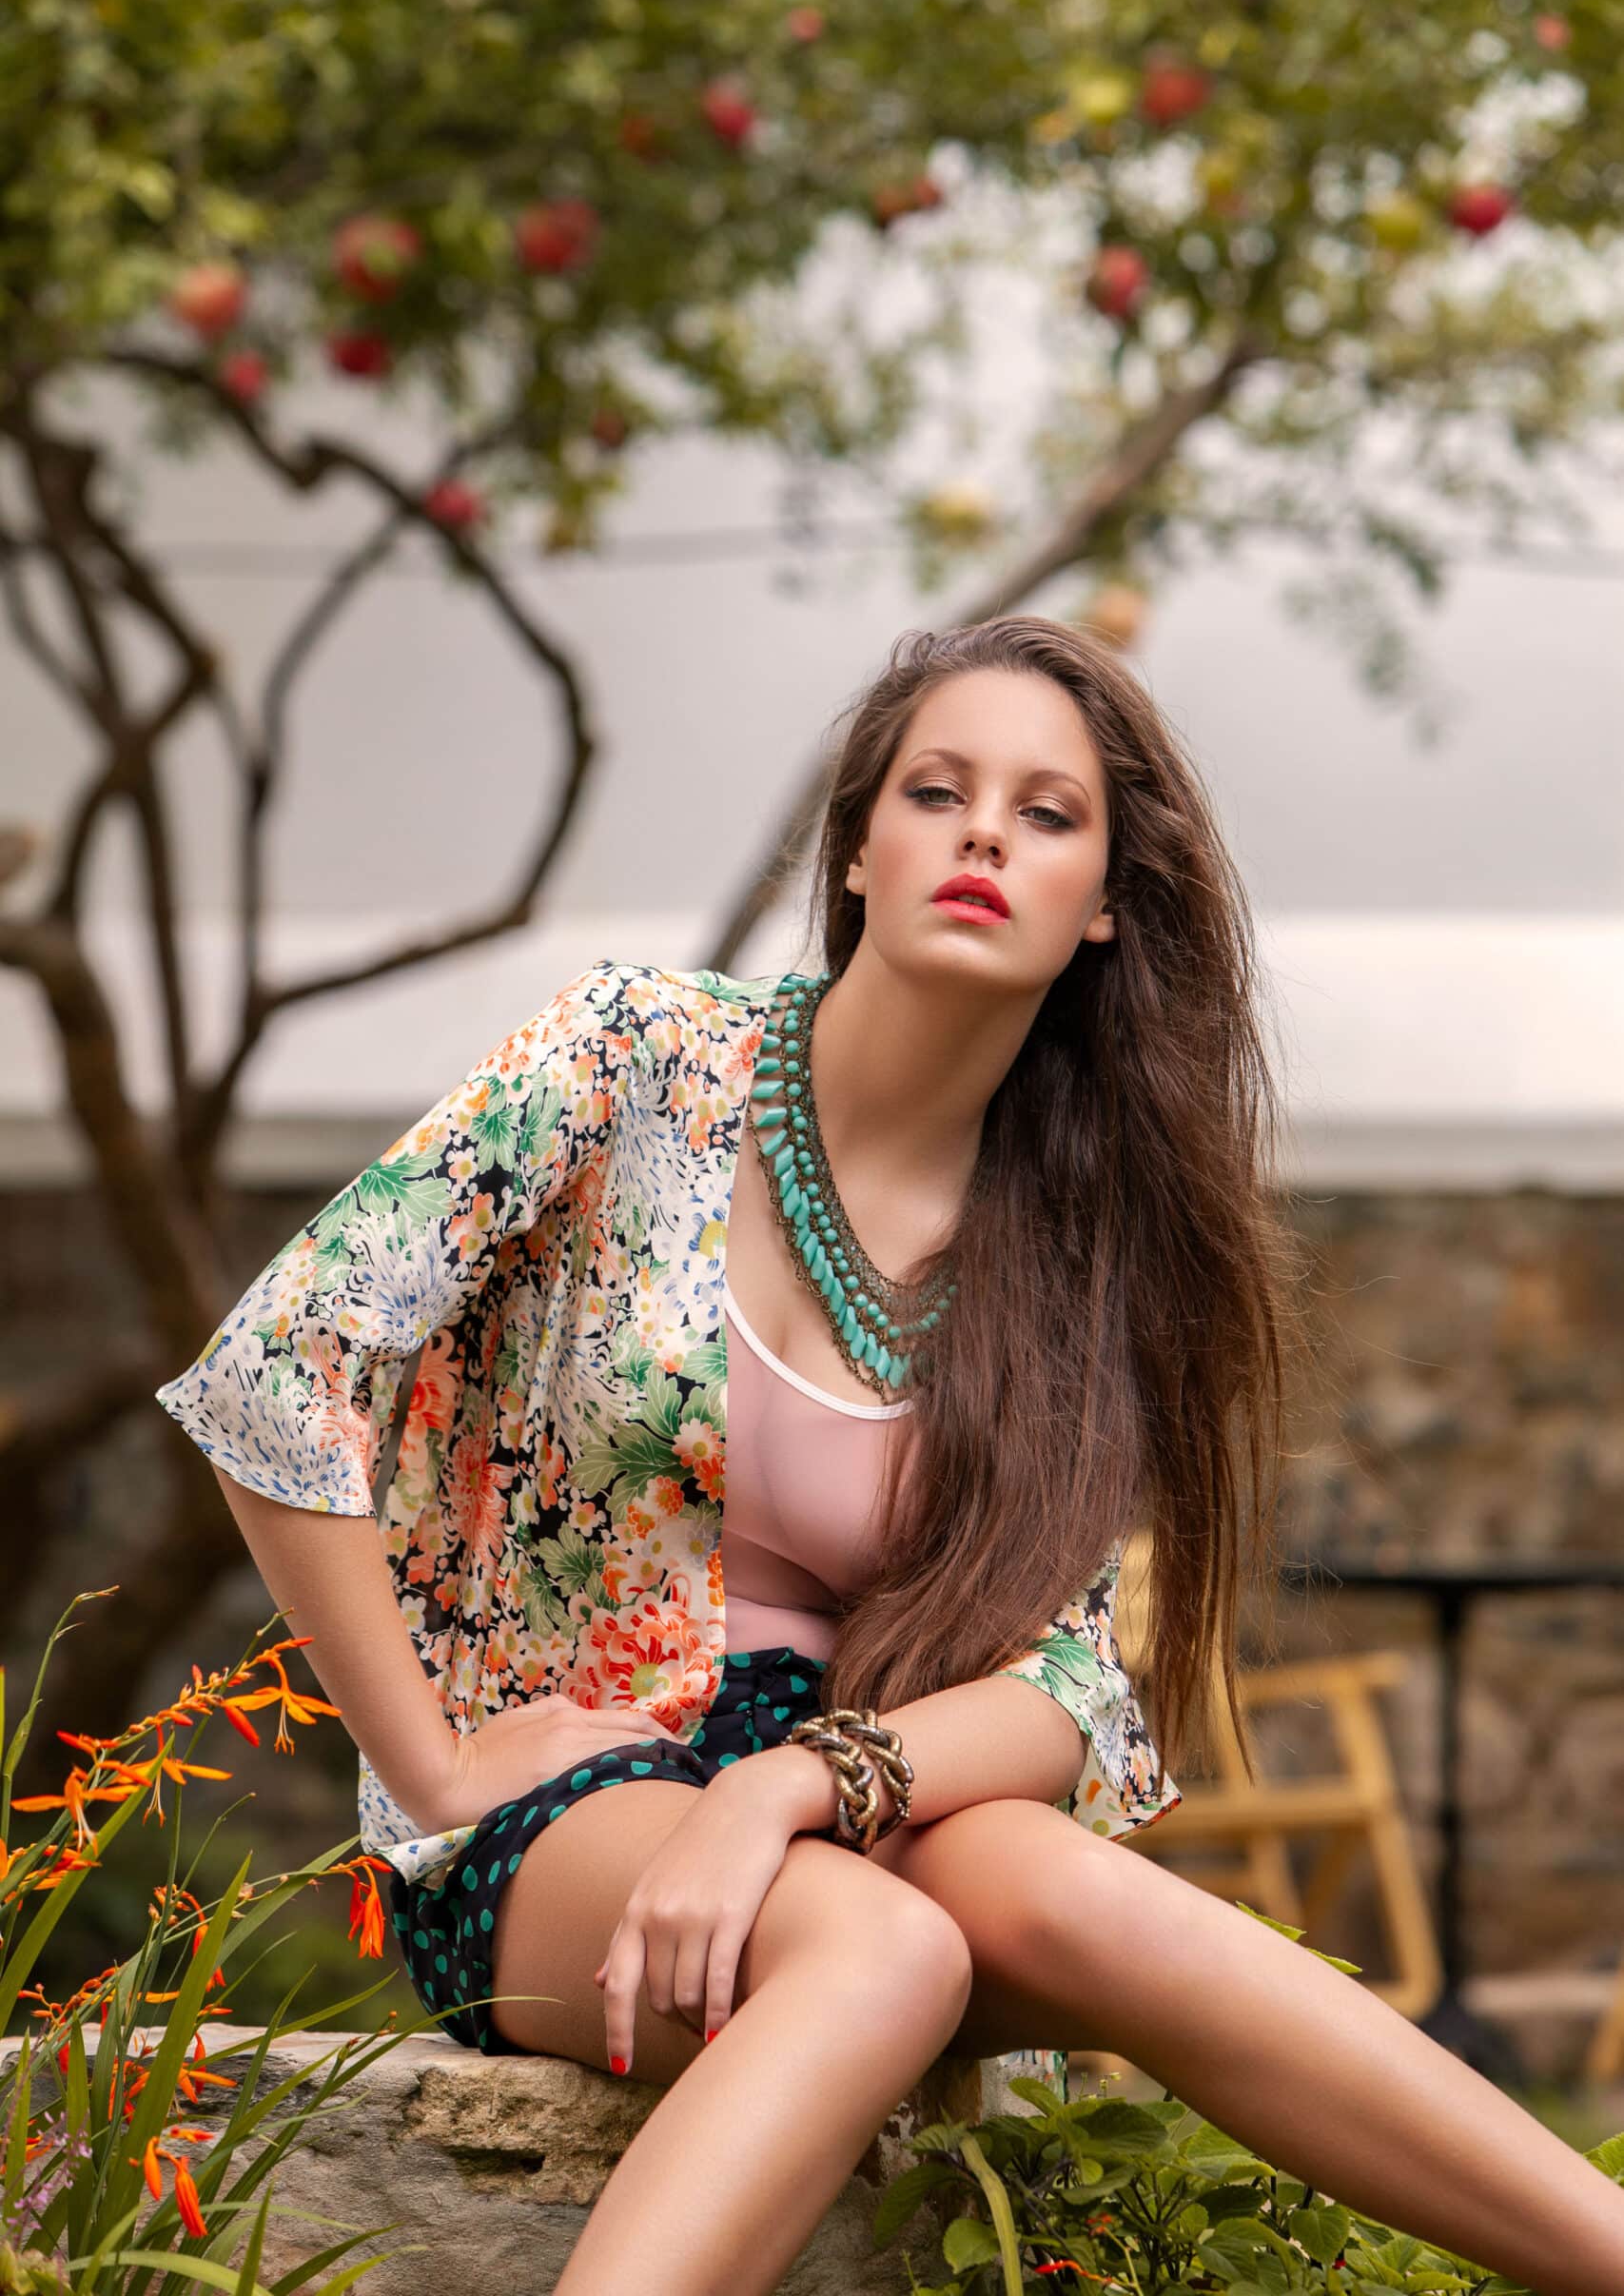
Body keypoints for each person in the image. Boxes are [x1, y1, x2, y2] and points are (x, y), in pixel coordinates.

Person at [155, 616, 1624, 2296]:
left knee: (1081, 1905)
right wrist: (426, 1768)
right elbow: (287, 1366)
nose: (987, 833)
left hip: (851, 1775)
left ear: (1106, 907)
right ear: (860, 848)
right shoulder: (636, 1057)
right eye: (940, 790)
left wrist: (790, 1784)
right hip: (561, 1793)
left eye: (1048, 813)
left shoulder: (1076, 1254)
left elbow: (1073, 1693)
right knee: (884, 1951)